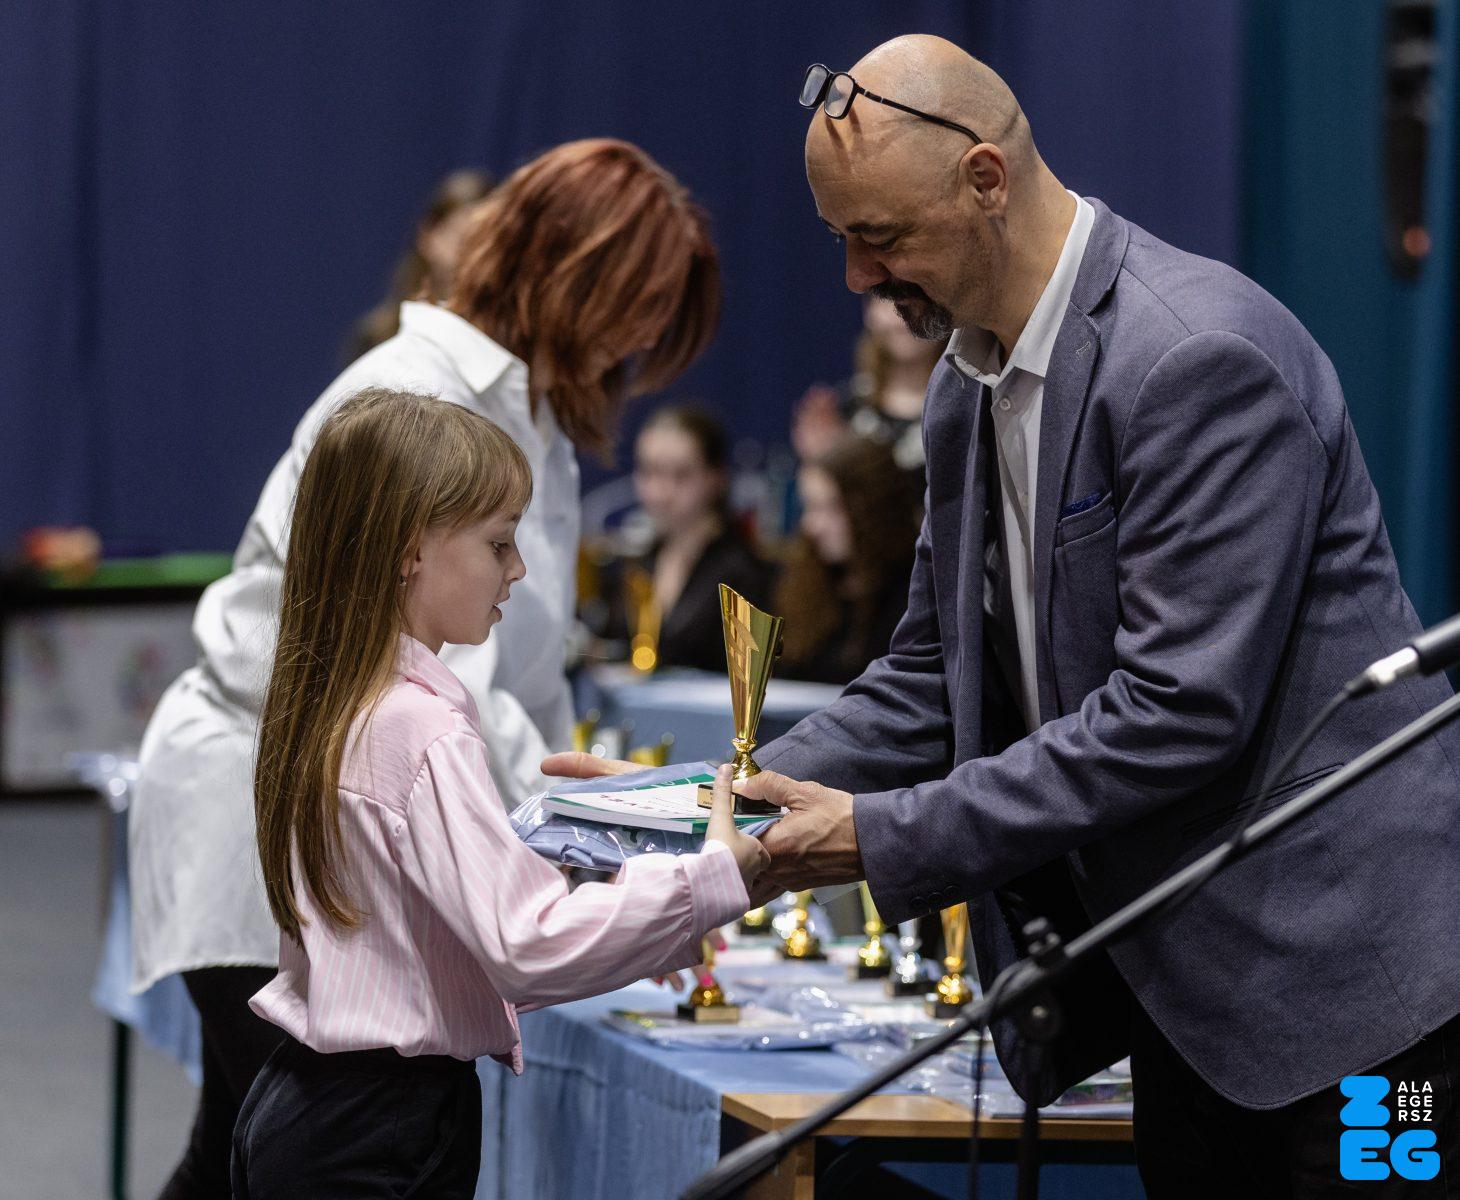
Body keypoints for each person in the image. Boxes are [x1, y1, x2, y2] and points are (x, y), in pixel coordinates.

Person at [554, 37, 1460, 1198]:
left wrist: (877, 838)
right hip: (1195, 1011)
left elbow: (1176, 714)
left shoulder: (1196, 357)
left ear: (985, 179)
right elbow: (930, 680)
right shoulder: (964, 383)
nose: (856, 277)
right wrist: (704, 804)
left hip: (1363, 1004)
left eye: (879, 236)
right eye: (839, 239)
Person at [131, 138, 720, 1199]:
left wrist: (603, 843)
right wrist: (631, 863)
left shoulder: (534, 417)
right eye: (636, 301)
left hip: (359, 824)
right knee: (265, 1148)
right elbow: (444, 693)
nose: (641, 336)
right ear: (562, 267)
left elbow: (524, 683)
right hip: (262, 815)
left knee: (241, 1156)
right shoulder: (411, 392)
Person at [230, 389, 764, 1197]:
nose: (516, 569)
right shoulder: (419, 727)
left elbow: (434, 920)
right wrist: (707, 877)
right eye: (499, 542)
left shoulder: (339, 697)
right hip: (380, 1128)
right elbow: (526, 945)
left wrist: (630, 905)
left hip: (308, 1103)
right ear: (410, 549)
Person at [614, 404, 776, 672]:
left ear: (716, 477)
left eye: (681, 475)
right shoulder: (637, 565)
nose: (660, 492)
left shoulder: (745, 574)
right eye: (649, 471)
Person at [775, 432, 919, 684]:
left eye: (832, 507)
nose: (813, 526)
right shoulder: (805, 586)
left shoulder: (915, 595)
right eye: (809, 506)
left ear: (875, 508)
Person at [792, 294, 943, 491]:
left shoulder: (966, 405)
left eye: (920, 298)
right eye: (891, 299)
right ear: (869, 312)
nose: (903, 320)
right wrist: (819, 462)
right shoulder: (845, 410)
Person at [344, 167, 496, 362]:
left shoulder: (504, 335)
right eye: (462, 239)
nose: (472, 254)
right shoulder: (379, 334)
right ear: (428, 236)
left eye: (483, 242)